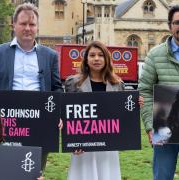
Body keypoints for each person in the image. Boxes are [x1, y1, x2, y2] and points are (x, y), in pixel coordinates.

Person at [0, 2, 63, 178]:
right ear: (14, 25)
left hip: (39, 123)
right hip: (6, 124)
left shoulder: (50, 56)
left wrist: (56, 114)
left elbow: (57, 88)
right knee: (6, 172)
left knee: (34, 173)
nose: (28, 28)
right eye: (23, 23)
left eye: (32, 24)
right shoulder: (0, 53)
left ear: (37, 27)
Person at [65, 41, 143, 180]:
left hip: (109, 145)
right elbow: (68, 115)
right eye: (92, 55)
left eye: (101, 55)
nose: (96, 58)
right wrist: (73, 142)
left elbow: (123, 115)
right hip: (83, 146)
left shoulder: (118, 84)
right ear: (86, 59)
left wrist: (136, 105)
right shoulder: (73, 83)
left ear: (106, 59)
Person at [138, 5, 179, 180]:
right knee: (162, 177)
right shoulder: (155, 55)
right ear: (170, 26)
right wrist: (148, 125)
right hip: (165, 129)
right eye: (178, 22)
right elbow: (145, 91)